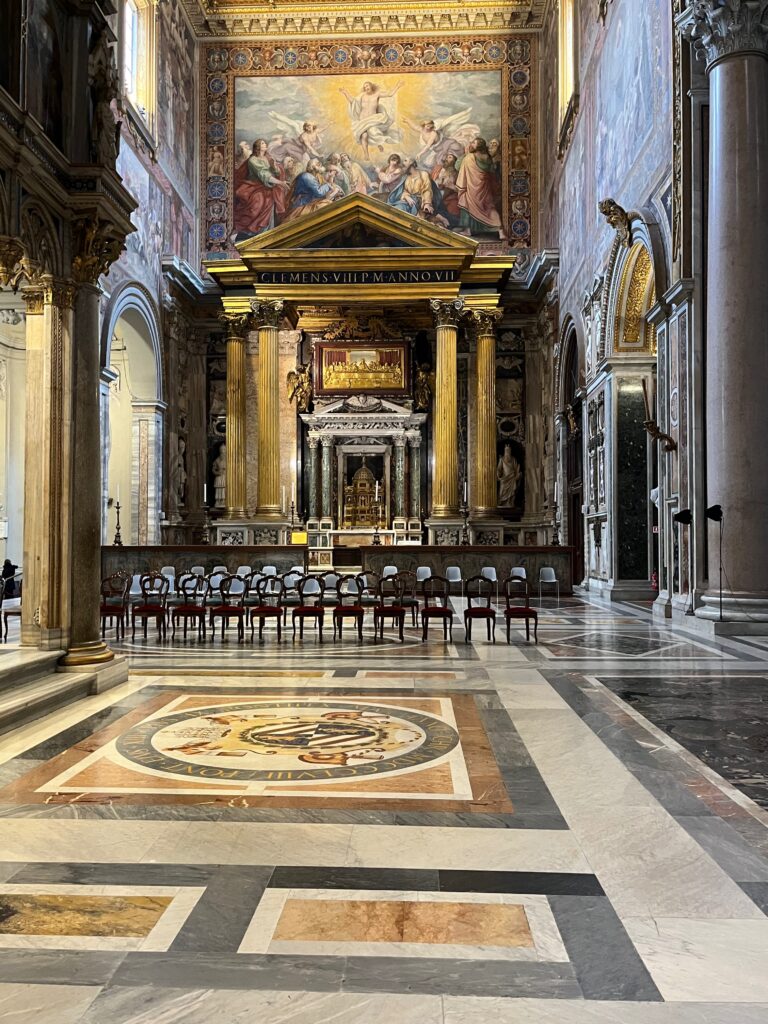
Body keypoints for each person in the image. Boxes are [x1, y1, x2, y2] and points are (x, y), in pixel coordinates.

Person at [456, 137, 507, 239]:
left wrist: (465, 154)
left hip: (471, 189)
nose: (471, 143)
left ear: (478, 145)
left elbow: (457, 166)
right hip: (484, 188)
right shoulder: (487, 157)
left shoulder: (469, 157)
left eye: (473, 143)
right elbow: (491, 171)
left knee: (465, 203)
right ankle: (501, 231)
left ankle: (467, 230)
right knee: (489, 207)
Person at [339, 79, 404, 160]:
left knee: (373, 132)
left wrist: (397, 86)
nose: (366, 87)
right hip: (363, 121)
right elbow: (353, 101)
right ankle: (366, 154)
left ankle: (378, 144)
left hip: (373, 120)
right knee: (364, 135)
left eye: (367, 85)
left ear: (371, 86)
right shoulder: (362, 95)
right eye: (364, 87)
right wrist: (345, 93)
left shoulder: (377, 94)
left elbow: (390, 94)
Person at [387, 158, 450, 227]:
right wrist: (406, 196)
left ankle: (439, 218)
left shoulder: (423, 174)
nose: (403, 163)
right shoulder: (407, 178)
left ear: (412, 163)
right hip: (409, 202)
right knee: (397, 209)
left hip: (420, 202)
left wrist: (427, 203)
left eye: (405, 160)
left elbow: (427, 190)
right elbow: (405, 191)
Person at [212, 444, 226, 508]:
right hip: (219, 476)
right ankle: (218, 501)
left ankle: (224, 500)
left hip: (225, 476)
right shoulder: (217, 460)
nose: (222, 451)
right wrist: (217, 472)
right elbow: (213, 470)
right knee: (218, 489)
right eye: (221, 449)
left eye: (223, 449)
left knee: (224, 488)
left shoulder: (228, 459)